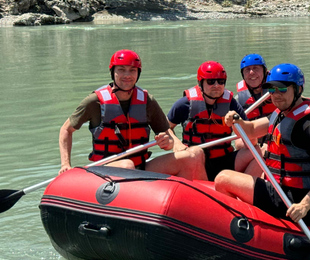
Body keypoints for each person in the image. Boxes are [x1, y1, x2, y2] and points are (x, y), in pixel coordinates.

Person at [214, 64, 310, 226]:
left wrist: (304, 205)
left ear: (298, 89)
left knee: (223, 179)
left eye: (282, 89)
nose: (276, 95)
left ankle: (236, 227)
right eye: (271, 90)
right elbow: (250, 130)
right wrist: (237, 120)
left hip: (295, 202)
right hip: (281, 191)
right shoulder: (281, 113)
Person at [58, 50, 205, 180]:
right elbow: (66, 130)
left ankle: (203, 204)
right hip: (104, 169)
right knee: (127, 166)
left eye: (132, 70)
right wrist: (66, 164)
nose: (127, 75)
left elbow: (167, 135)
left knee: (194, 154)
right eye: (121, 70)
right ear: (113, 72)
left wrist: (168, 143)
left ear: (138, 73)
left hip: (140, 166)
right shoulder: (95, 101)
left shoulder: (147, 101)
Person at [166, 61, 251, 181]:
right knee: (196, 153)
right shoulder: (185, 104)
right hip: (195, 161)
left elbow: (250, 131)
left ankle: (246, 193)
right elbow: (165, 127)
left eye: (221, 82)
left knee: (256, 151)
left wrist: (239, 121)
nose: (216, 85)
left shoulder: (231, 103)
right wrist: (176, 143)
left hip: (223, 158)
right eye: (211, 82)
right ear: (200, 83)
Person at [235, 54, 276, 120]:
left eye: (255, 68)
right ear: (243, 75)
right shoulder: (238, 100)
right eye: (247, 70)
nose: (251, 72)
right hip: (252, 129)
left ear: (265, 71)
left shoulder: (279, 91)